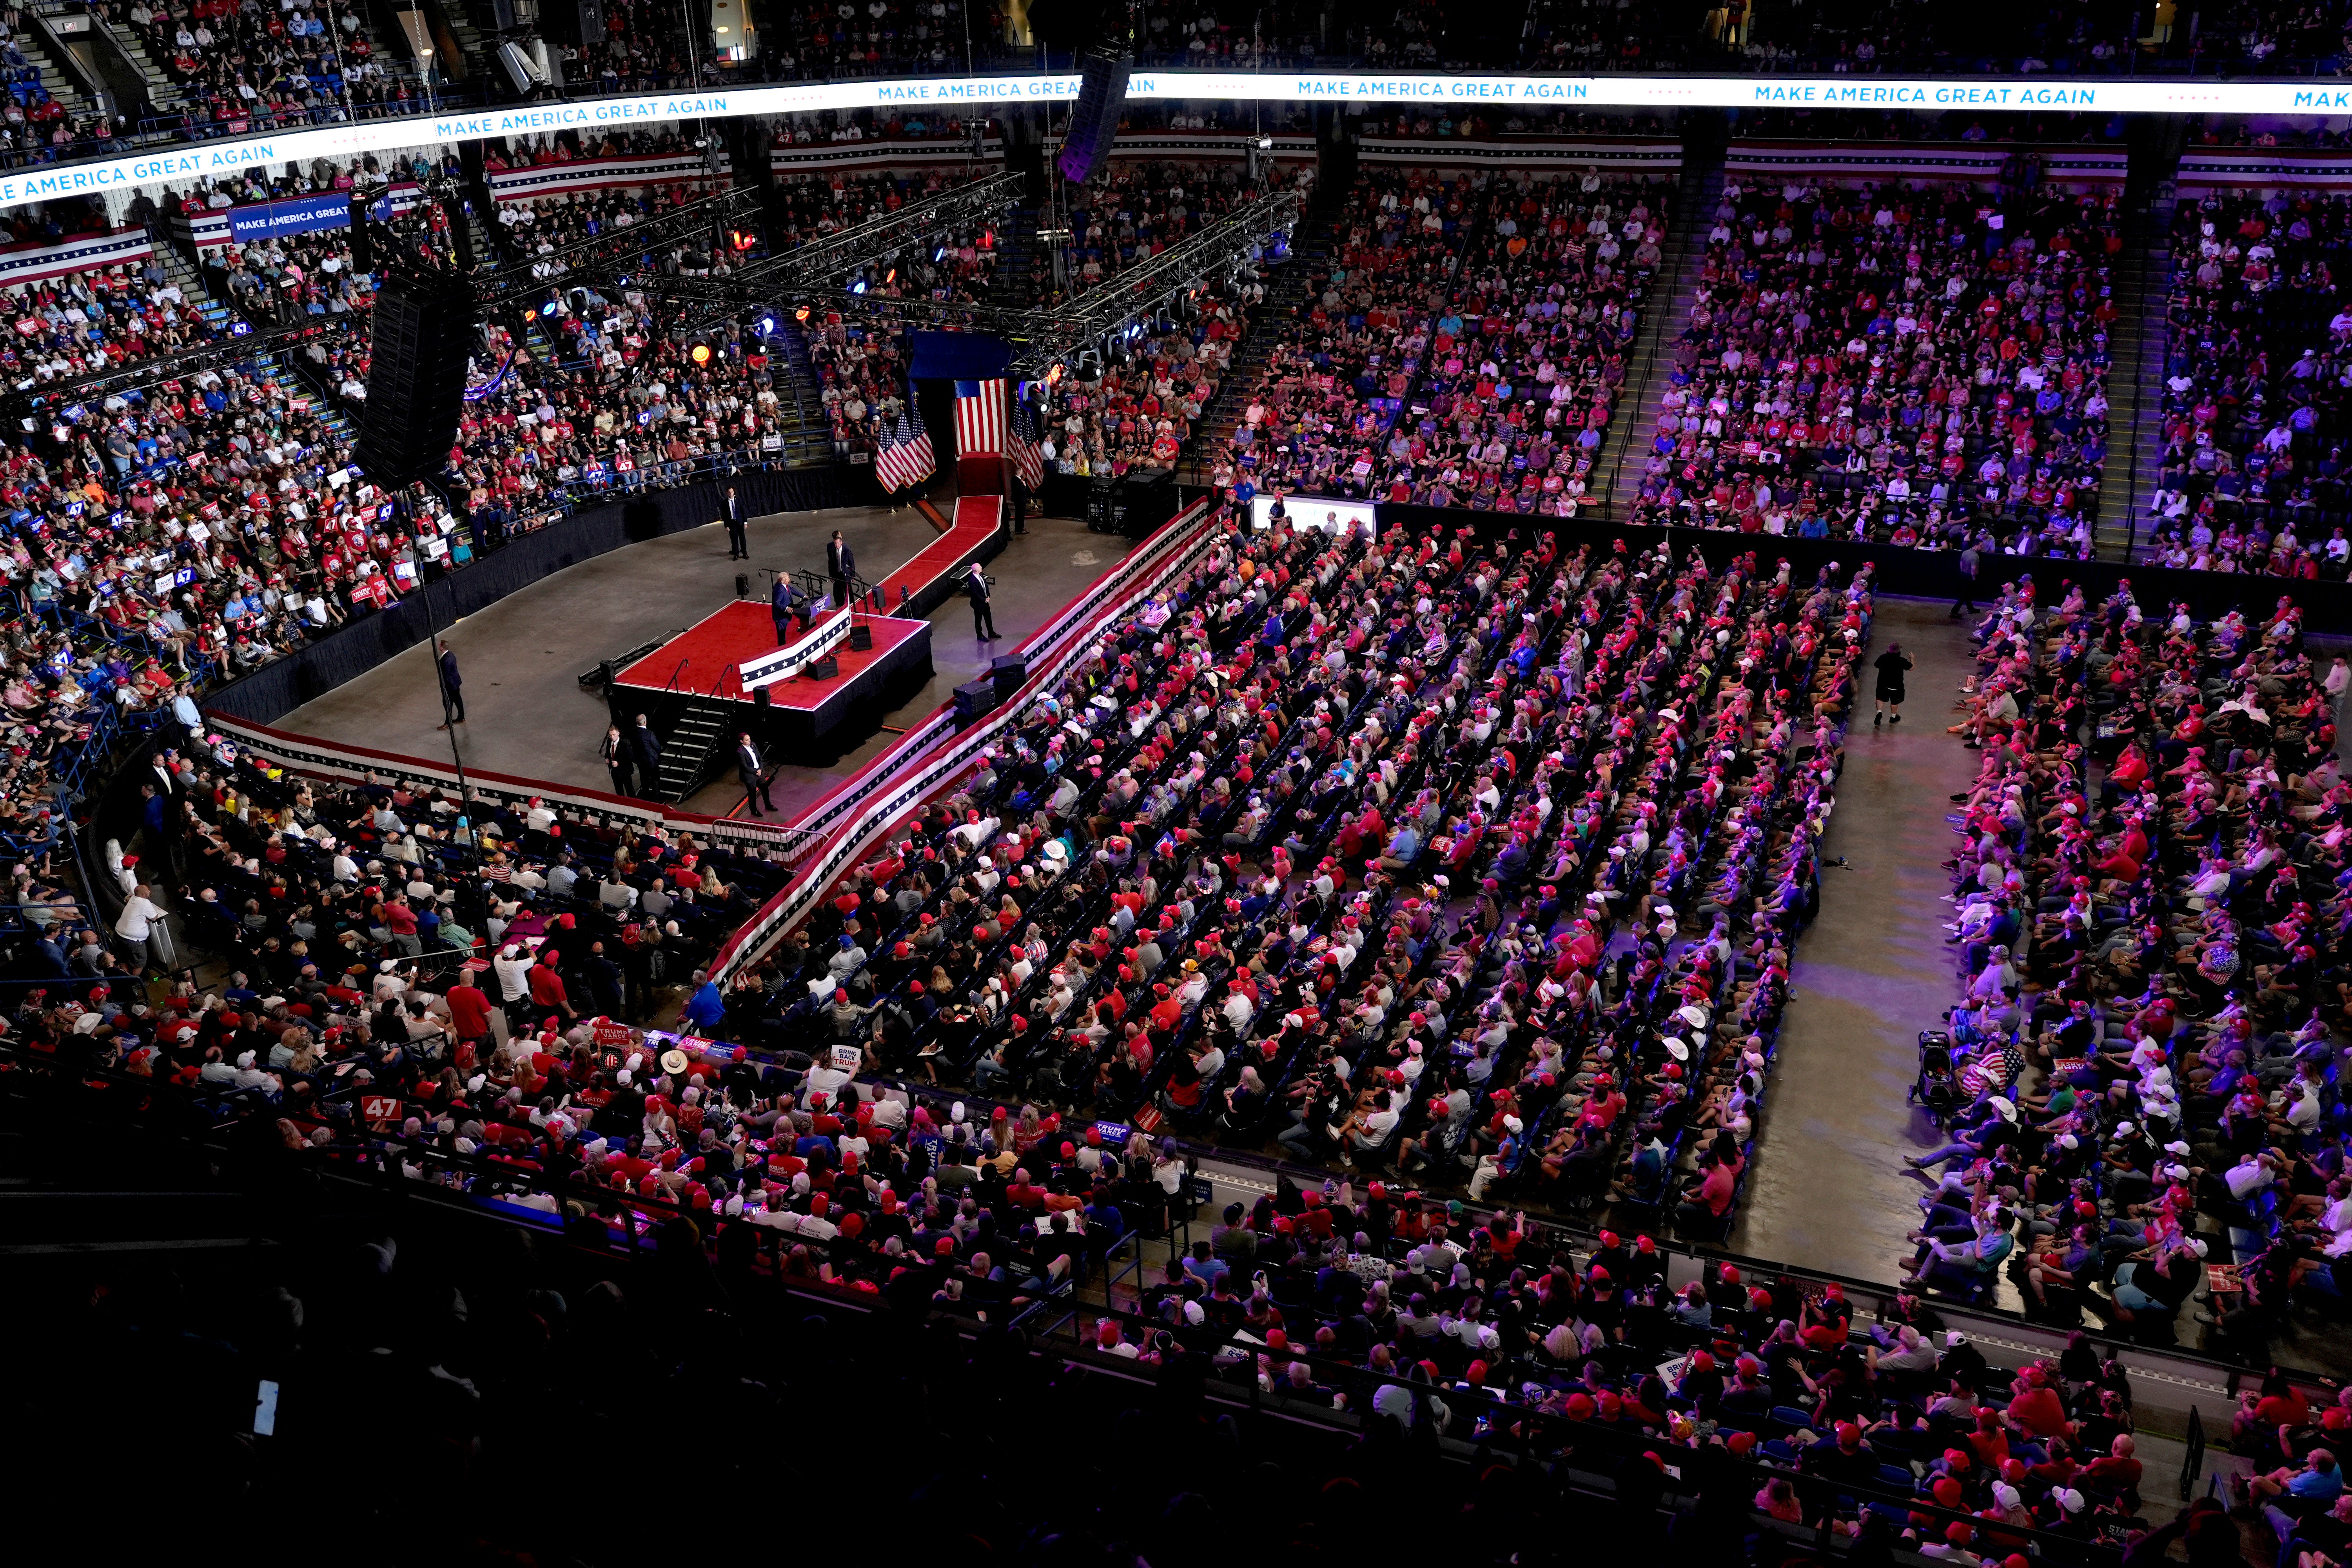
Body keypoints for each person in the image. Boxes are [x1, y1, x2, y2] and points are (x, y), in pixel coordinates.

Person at [114, 882, 167, 975]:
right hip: (133, 940)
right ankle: (134, 981)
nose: (150, 892)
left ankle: (125, 975)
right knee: (141, 960)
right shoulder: (145, 903)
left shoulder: (133, 898)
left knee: (124, 957)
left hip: (119, 934)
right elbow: (154, 917)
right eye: (148, 891)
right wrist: (148, 918)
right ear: (143, 894)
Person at [1873, 641, 1913, 727]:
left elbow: (1876, 665)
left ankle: (1879, 712)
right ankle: (1893, 717)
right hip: (1896, 686)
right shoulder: (1901, 660)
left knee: (1880, 698)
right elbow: (1912, 668)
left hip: (1882, 684)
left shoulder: (1883, 657)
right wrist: (1912, 658)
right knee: (1895, 701)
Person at [736, 731, 775, 818]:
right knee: (752, 794)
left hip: (759, 772)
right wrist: (756, 771)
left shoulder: (753, 745)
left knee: (765, 789)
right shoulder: (740, 752)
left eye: (749, 739)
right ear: (742, 741)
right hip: (750, 775)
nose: (749, 741)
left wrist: (761, 769)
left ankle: (768, 805)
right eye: (747, 740)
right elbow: (745, 767)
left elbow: (759, 758)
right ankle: (754, 811)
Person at [435, 638, 464, 728]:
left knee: (447, 703)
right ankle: (461, 717)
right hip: (456, 682)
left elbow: (446, 675)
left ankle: (448, 723)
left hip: (449, 686)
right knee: (458, 699)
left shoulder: (445, 660)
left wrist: (445, 687)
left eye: (440, 645)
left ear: (442, 648)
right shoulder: (451, 654)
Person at [630, 714, 662, 796]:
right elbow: (657, 746)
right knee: (655, 780)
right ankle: (656, 797)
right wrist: (657, 756)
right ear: (645, 722)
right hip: (651, 761)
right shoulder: (649, 734)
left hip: (640, 761)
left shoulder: (633, 732)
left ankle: (646, 798)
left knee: (644, 780)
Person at [965, 561, 998, 641]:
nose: (981, 568)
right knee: (978, 620)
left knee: (988, 618)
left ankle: (991, 633)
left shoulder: (981, 576)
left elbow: (985, 587)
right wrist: (984, 600)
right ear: (976, 570)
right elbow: (975, 593)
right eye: (980, 567)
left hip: (985, 602)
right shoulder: (972, 581)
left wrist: (988, 596)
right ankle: (980, 635)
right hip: (978, 604)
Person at [601, 723, 634, 797]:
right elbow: (608, 753)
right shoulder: (609, 742)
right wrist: (607, 759)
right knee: (619, 791)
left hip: (625, 771)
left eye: (614, 735)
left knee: (629, 790)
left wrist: (619, 763)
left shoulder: (625, 744)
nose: (612, 737)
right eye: (610, 735)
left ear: (618, 733)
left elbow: (631, 758)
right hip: (615, 772)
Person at [827, 529, 857, 610]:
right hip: (837, 574)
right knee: (838, 591)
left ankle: (850, 605)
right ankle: (840, 605)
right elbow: (831, 564)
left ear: (841, 543)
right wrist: (831, 576)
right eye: (835, 543)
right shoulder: (832, 551)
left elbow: (851, 563)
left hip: (846, 574)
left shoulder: (847, 550)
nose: (837, 545)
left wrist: (852, 575)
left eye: (838, 543)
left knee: (847, 590)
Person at [771, 572, 797, 645]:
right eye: (788, 579)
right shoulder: (780, 590)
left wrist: (804, 596)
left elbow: (792, 590)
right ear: (783, 580)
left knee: (783, 633)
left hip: (784, 615)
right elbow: (777, 603)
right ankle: (782, 648)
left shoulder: (785, 585)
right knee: (782, 635)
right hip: (780, 617)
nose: (790, 579)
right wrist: (787, 608)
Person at [723, 486, 748, 560]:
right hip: (732, 523)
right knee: (734, 540)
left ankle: (744, 553)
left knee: (742, 538)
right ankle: (736, 554)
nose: (731, 493)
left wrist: (745, 522)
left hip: (740, 522)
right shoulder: (725, 503)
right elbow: (724, 515)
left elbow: (743, 512)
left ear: (734, 492)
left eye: (732, 492)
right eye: (729, 492)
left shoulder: (739, 501)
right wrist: (726, 526)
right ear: (727, 493)